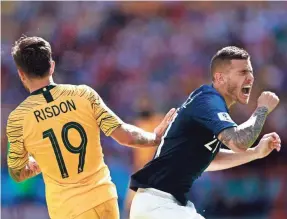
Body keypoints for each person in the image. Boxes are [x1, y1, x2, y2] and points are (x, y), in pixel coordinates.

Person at [6, 35, 176, 219]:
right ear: (52, 66)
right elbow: (124, 135)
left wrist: (41, 164)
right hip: (104, 199)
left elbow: (17, 172)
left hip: (68, 209)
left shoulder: (19, 119)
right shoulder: (84, 95)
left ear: (21, 74)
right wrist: (154, 138)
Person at [129, 46, 281, 219]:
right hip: (158, 206)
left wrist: (255, 153)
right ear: (220, 78)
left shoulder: (209, 104)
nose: (250, 78)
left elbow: (208, 159)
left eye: (251, 72)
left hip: (161, 205)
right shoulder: (209, 101)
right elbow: (238, 141)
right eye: (242, 72)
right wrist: (262, 109)